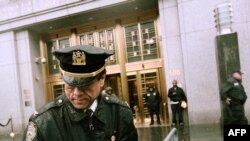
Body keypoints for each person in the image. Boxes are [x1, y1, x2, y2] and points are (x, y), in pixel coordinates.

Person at [23, 45, 138, 141]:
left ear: (102, 79)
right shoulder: (43, 123)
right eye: (71, 85)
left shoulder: (120, 114)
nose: (77, 93)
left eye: (85, 85)